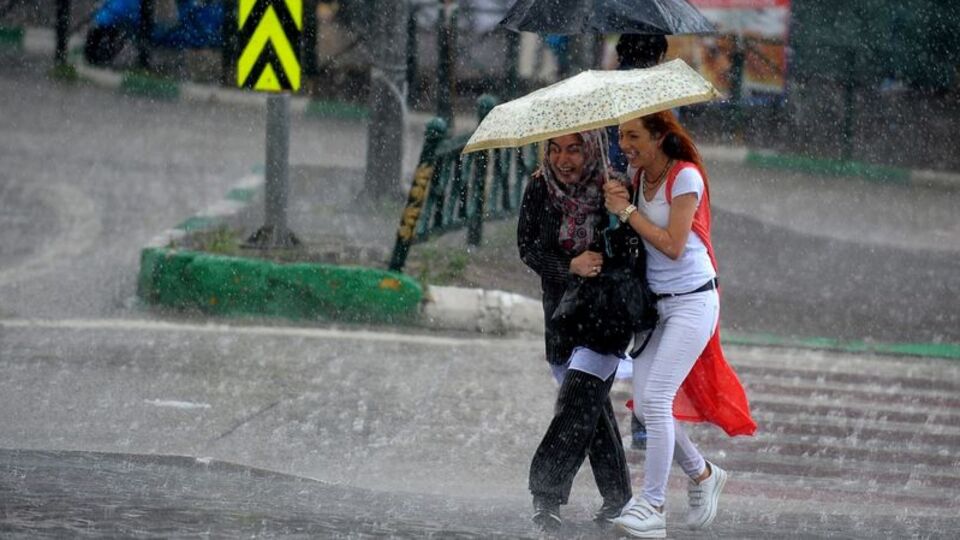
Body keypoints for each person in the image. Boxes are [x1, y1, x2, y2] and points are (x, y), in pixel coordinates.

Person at [602, 111, 757, 538]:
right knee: (648, 406)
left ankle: (652, 506)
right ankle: (704, 474)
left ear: (659, 137)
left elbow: (672, 245)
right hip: (656, 309)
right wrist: (619, 201)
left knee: (656, 403)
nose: (625, 144)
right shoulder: (637, 177)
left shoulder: (684, 176)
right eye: (621, 136)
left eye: (633, 136)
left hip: (693, 303)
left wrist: (628, 209)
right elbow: (635, 234)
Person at [517, 130, 633, 533]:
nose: (563, 159)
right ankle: (619, 498)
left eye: (574, 148)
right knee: (591, 410)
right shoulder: (538, 187)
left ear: (593, 148)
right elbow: (529, 248)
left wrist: (619, 216)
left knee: (577, 403)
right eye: (555, 148)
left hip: (606, 317)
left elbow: (632, 252)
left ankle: (545, 495)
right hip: (561, 318)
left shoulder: (616, 187)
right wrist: (570, 265)